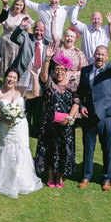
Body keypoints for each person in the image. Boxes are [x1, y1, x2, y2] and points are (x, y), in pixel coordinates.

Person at [0, 69, 43, 197]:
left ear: (17, 80)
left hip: (20, 127)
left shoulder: (21, 90)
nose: (11, 79)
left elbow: (36, 93)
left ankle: (20, 180)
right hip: (5, 127)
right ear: (4, 77)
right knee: (6, 150)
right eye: (9, 76)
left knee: (21, 149)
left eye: (14, 77)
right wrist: (3, 118)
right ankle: (3, 180)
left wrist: (34, 77)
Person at [77, 39, 111, 191]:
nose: (100, 57)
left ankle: (106, 178)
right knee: (88, 147)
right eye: (98, 54)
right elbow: (80, 92)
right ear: (93, 55)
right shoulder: (85, 71)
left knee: (107, 149)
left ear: (107, 57)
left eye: (103, 55)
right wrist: (81, 106)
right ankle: (86, 176)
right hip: (89, 115)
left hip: (107, 116)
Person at [34, 44, 81, 188]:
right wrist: (47, 58)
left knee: (62, 149)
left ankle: (59, 176)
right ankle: (50, 175)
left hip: (66, 123)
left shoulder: (72, 85)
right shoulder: (49, 83)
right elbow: (42, 76)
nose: (59, 72)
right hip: (49, 123)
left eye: (62, 69)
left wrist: (70, 118)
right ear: (53, 71)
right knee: (49, 148)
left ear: (66, 71)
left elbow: (76, 103)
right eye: (57, 69)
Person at [16, 0, 88, 42]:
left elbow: (78, 7)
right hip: (43, 41)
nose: (53, 1)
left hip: (57, 41)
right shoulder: (41, 8)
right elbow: (27, 3)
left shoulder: (65, 10)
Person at [0, 0, 30, 78]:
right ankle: (3, 79)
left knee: (14, 62)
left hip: (17, 44)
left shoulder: (24, 17)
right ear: (14, 4)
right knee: (4, 61)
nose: (18, 7)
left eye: (21, 5)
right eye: (17, 4)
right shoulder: (7, 14)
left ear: (23, 6)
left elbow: (29, 33)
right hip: (5, 43)